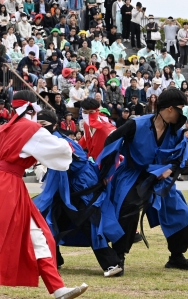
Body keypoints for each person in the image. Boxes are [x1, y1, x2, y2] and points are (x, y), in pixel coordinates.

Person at [0, 90, 88, 299]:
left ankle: (57, 288)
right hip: (9, 186)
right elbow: (61, 150)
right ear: (31, 108)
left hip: (2, 185)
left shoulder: (5, 129)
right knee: (3, 241)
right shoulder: (32, 129)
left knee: (30, 234)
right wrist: (69, 143)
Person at [88, 88, 188, 275]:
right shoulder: (136, 124)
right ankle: (118, 257)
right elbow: (111, 140)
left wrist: (170, 169)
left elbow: (181, 157)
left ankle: (176, 256)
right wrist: (106, 173)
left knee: (179, 210)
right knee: (127, 208)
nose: (183, 113)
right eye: (181, 108)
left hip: (159, 177)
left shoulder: (175, 132)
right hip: (131, 174)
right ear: (170, 109)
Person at [33, 110, 123, 275]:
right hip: (67, 183)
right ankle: (52, 259)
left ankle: (112, 263)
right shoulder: (52, 140)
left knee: (89, 220)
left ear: (54, 125)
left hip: (82, 184)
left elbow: (63, 164)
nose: (40, 128)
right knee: (52, 217)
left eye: (43, 125)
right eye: (37, 125)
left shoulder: (59, 141)